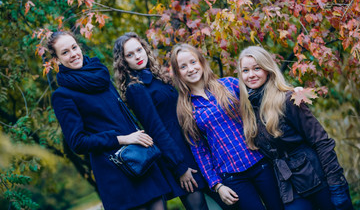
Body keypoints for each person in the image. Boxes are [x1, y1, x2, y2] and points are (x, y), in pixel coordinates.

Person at [49, 31, 170, 210]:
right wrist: (122, 138)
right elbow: (78, 143)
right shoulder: (62, 95)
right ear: (57, 60)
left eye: (74, 47)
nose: (73, 54)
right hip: (115, 172)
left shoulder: (101, 75)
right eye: (65, 52)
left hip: (141, 158)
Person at [112, 32, 226, 210]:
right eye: (130, 55)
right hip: (179, 157)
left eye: (139, 50)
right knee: (199, 206)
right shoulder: (136, 88)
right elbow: (156, 129)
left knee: (229, 200)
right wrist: (179, 167)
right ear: (124, 61)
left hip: (196, 147)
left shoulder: (159, 77)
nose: (137, 56)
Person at [237, 46, 354, 210]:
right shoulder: (249, 109)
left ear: (268, 70)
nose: (251, 75)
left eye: (257, 68)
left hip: (317, 177)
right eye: (245, 70)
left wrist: (336, 186)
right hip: (288, 185)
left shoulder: (288, 99)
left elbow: (322, 142)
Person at [170, 43, 284, 210]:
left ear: (201, 62)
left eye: (193, 62)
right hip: (232, 176)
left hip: (260, 162)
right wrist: (217, 185)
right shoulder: (185, 109)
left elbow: (264, 97)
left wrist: (289, 92)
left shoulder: (229, 85)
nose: (190, 69)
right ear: (178, 73)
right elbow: (199, 150)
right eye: (183, 66)